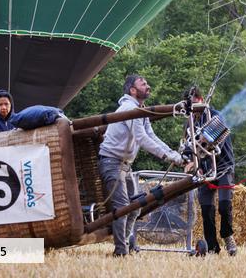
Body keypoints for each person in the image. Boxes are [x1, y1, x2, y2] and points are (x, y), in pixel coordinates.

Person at [99, 74, 186, 257]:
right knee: (123, 206)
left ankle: (127, 243)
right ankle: (120, 252)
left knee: (136, 206)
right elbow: (142, 139)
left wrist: (174, 155)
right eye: (143, 83)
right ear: (132, 90)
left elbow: (151, 136)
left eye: (147, 82)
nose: (147, 85)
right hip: (111, 162)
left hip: (124, 165)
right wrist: (168, 156)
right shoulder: (129, 108)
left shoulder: (139, 110)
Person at [185, 85, 237, 256]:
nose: (194, 108)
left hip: (223, 168)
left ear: (201, 100)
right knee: (206, 210)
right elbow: (187, 149)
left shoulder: (216, 116)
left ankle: (228, 236)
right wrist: (191, 163)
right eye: (190, 105)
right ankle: (213, 247)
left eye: (195, 102)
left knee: (224, 205)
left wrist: (198, 147)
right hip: (205, 171)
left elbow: (213, 144)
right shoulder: (190, 124)